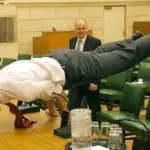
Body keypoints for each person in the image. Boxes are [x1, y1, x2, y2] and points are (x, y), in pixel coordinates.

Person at [0, 32, 146, 129]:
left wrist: (62, 105)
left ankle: (142, 42)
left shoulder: (21, 92)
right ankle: (131, 40)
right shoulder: (3, 76)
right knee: (97, 53)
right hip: (59, 56)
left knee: (126, 57)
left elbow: (51, 88)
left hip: (71, 68)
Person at [69, 19, 102, 121]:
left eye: (83, 28)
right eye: (79, 29)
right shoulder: (72, 41)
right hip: (75, 81)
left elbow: (99, 62)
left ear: (87, 29)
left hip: (90, 80)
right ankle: (76, 127)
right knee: (73, 106)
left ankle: (96, 129)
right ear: (75, 30)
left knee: (94, 108)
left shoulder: (95, 42)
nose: (81, 31)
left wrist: (95, 81)